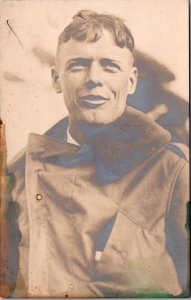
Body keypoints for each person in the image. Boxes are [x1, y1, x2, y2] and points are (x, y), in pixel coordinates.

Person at [6, 10, 189, 298]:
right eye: (78, 65)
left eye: (109, 66)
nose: (93, 79)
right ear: (56, 79)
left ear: (131, 81)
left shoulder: (172, 171)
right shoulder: (18, 174)